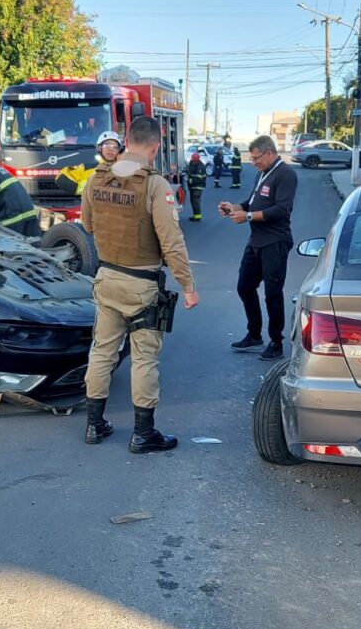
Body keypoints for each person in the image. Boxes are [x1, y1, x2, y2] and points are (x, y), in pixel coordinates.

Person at [80, 116, 199, 452]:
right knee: (145, 358)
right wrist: (188, 286)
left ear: (125, 141)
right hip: (142, 283)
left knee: (102, 351)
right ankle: (143, 433)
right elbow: (171, 241)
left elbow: (87, 225)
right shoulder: (154, 184)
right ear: (156, 146)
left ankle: (94, 425)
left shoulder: (98, 177)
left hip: (106, 278)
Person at [218, 135, 298, 361]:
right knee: (244, 287)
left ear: (269, 153)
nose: (252, 162)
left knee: (273, 294)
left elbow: (282, 209)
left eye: (255, 158)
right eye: (251, 158)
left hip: (275, 241)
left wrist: (249, 216)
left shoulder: (286, 174)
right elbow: (252, 202)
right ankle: (254, 335)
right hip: (256, 241)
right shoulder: (262, 173)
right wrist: (234, 208)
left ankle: (276, 341)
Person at [186, 151, 207, 221]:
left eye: (194, 160)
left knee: (195, 202)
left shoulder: (201, 167)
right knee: (193, 202)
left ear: (197, 160)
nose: (193, 161)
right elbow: (190, 171)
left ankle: (197, 217)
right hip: (192, 187)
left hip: (198, 187)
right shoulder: (192, 163)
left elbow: (199, 179)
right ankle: (195, 215)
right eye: (193, 160)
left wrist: (191, 181)